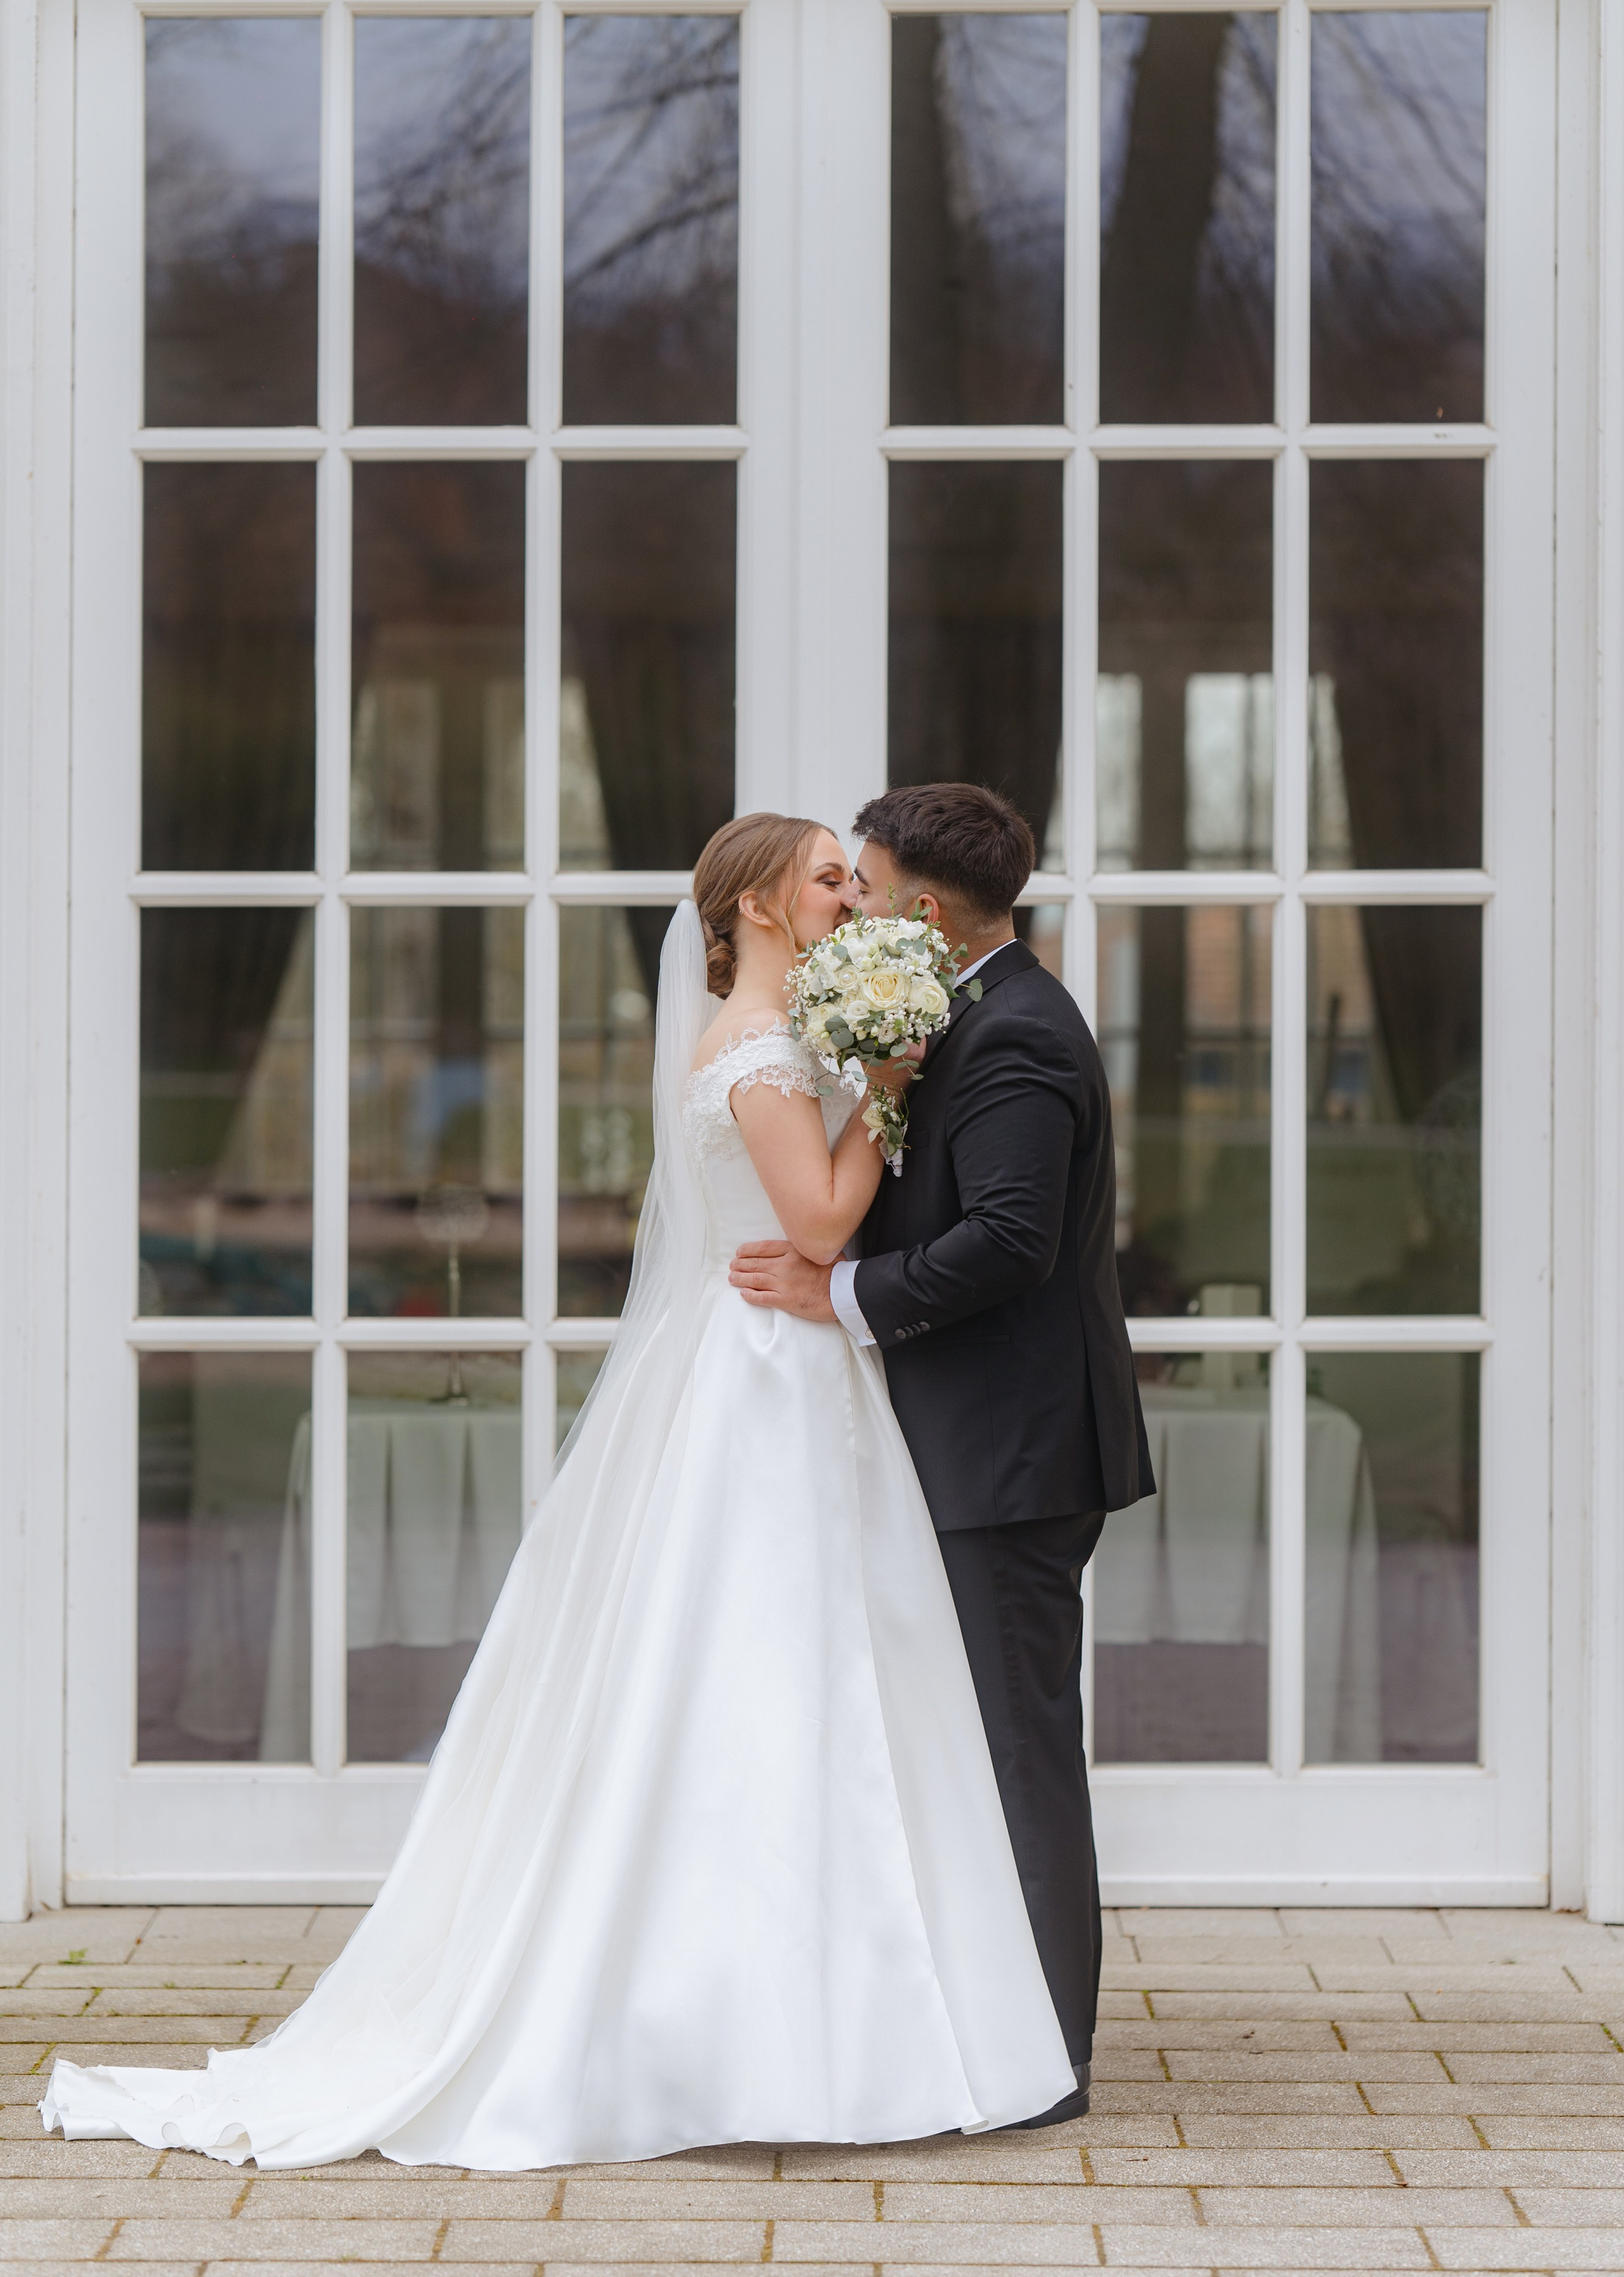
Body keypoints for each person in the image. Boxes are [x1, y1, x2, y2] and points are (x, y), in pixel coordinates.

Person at [41, 813, 1075, 2172]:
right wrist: (882, 1088)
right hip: (768, 1376)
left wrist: (867, 1088)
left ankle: (832, 2007)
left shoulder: (775, 1042)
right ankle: (744, 2026)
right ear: (758, 908)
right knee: (766, 1680)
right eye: (826, 876)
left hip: (788, 1366)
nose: (851, 895)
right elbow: (817, 1225)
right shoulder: (762, 1054)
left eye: (854, 874)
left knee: (804, 1685)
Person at [730, 784, 1155, 2122]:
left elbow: (1008, 1243)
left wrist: (835, 1297)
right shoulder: (963, 1015)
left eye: (857, 883)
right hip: (972, 1443)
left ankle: (1047, 2067)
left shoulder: (1017, 1035)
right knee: (974, 1746)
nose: (845, 902)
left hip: (1013, 1452)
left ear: (921, 908)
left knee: (1017, 1752)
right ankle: (988, 2026)